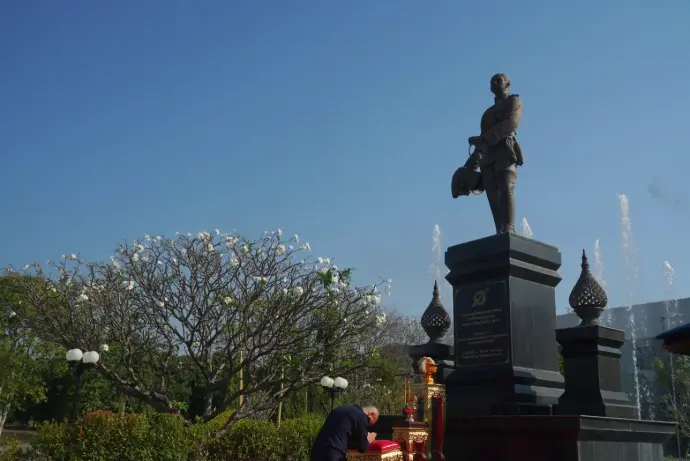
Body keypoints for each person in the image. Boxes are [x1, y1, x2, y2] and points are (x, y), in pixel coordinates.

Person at [464, 73, 524, 234]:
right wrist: (468, 167)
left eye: (499, 80)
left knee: (506, 187)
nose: (495, 83)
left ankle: (509, 227)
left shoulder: (514, 101)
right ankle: (499, 229)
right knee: (492, 195)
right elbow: (481, 144)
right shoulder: (487, 113)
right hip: (488, 157)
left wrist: (485, 138)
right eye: (492, 81)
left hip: (505, 150)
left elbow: (511, 123)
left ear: (507, 84)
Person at [310, 405, 379, 461]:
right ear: (371, 414)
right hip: (333, 454)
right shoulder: (362, 417)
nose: (366, 425)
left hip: (317, 452)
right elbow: (362, 448)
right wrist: (369, 439)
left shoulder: (341, 409)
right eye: (369, 423)